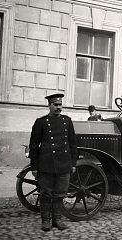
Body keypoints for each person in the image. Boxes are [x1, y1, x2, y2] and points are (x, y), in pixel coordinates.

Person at [29, 93, 77, 231]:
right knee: (46, 193)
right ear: (49, 105)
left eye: (60, 104)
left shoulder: (67, 121)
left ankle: (57, 220)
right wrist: (34, 166)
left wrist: (73, 163)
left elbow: (73, 144)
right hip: (46, 164)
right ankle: (46, 221)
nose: (58, 107)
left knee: (60, 194)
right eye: (55, 105)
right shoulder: (41, 122)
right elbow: (34, 145)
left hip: (64, 164)